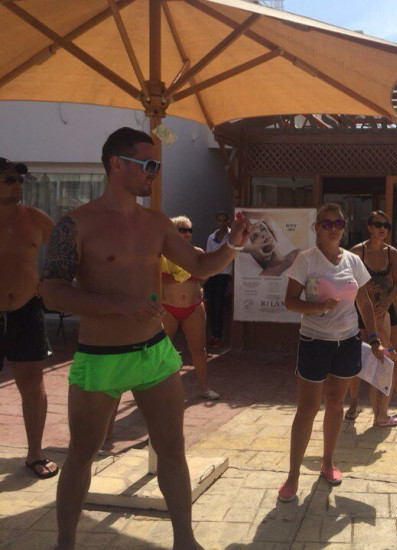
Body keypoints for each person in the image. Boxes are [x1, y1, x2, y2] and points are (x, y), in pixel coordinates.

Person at [41, 127, 252, 550]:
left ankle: (185, 541)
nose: (155, 172)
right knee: (83, 453)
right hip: (101, 356)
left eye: (156, 164)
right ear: (117, 164)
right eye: (148, 163)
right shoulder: (76, 224)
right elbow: (51, 292)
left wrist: (232, 246)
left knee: (172, 448)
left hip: (154, 353)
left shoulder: (156, 222)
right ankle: (65, 542)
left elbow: (199, 266)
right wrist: (117, 304)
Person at [277, 203, 385, 502]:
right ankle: (293, 476)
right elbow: (290, 301)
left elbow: (364, 302)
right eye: (327, 224)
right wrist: (317, 307)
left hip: (347, 342)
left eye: (338, 223)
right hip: (314, 341)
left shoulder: (352, 261)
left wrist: (374, 339)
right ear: (317, 228)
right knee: (307, 408)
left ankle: (327, 464)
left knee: (336, 405)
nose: (333, 228)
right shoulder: (306, 260)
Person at [0, 157, 58, 479]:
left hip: (26, 310)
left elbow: (67, 251)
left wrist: (48, 280)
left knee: (33, 385)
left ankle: (35, 452)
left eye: (20, 179)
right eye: (9, 179)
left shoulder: (35, 218)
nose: (17, 184)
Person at [346, 210, 397, 425]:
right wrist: (364, 298)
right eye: (378, 224)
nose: (382, 229)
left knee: (393, 356)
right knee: (358, 358)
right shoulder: (357, 251)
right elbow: (348, 280)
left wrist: (386, 303)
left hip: (385, 309)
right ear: (369, 226)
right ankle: (353, 405)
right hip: (362, 310)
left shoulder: (391, 252)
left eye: (386, 226)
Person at [161, 216, 219, 400]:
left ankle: (204, 388)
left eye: (189, 230)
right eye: (182, 230)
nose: (186, 233)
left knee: (199, 349)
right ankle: (160, 391)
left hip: (193, 307)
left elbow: (206, 274)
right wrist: (183, 276)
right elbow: (160, 281)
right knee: (162, 350)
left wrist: (194, 282)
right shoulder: (164, 255)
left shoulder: (197, 252)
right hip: (168, 307)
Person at [203, 211, 232, 347]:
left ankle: (218, 336)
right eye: (219, 220)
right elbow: (209, 255)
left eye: (224, 220)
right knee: (210, 306)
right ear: (216, 221)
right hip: (212, 274)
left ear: (228, 221)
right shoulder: (211, 237)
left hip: (224, 274)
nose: (222, 223)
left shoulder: (231, 236)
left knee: (218, 305)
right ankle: (213, 335)